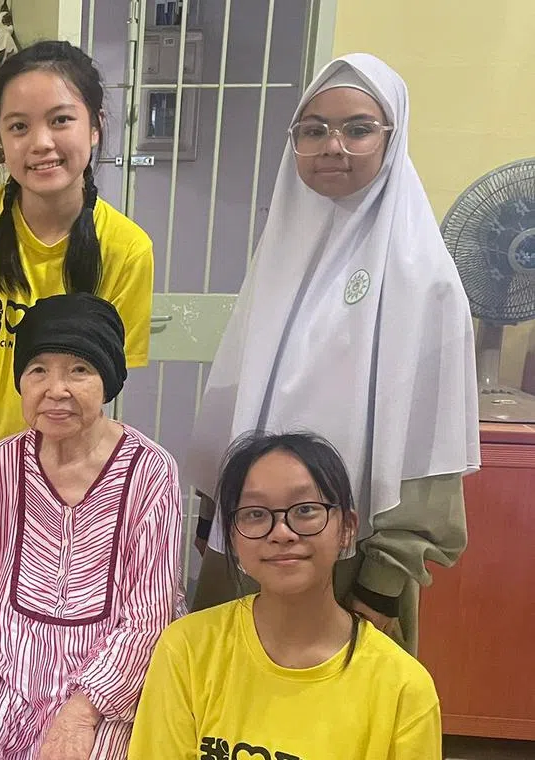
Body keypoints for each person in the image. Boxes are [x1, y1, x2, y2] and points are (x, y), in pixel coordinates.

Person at [184, 53, 479, 652]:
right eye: (313, 129)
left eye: (358, 129)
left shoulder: (424, 281)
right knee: (231, 691)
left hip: (355, 564)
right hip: (252, 539)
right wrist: (216, 506)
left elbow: (431, 443)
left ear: (392, 138)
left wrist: (385, 579)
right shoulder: (279, 259)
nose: (332, 146)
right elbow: (240, 391)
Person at [0, 294, 181, 760]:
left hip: (102, 698)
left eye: (79, 370)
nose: (56, 389)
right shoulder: (0, 465)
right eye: (38, 370)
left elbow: (148, 615)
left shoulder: (151, 471)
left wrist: (83, 712)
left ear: (108, 380)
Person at [0, 40, 154, 549]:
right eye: (19, 126)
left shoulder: (127, 248)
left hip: (73, 487)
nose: (41, 143)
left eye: (60, 120)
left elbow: (100, 392)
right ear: (0, 139)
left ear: (95, 127)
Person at [131, 432, 442, 759]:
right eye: (255, 514)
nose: (281, 532)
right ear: (233, 537)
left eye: (305, 509)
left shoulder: (404, 688)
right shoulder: (187, 649)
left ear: (348, 528)